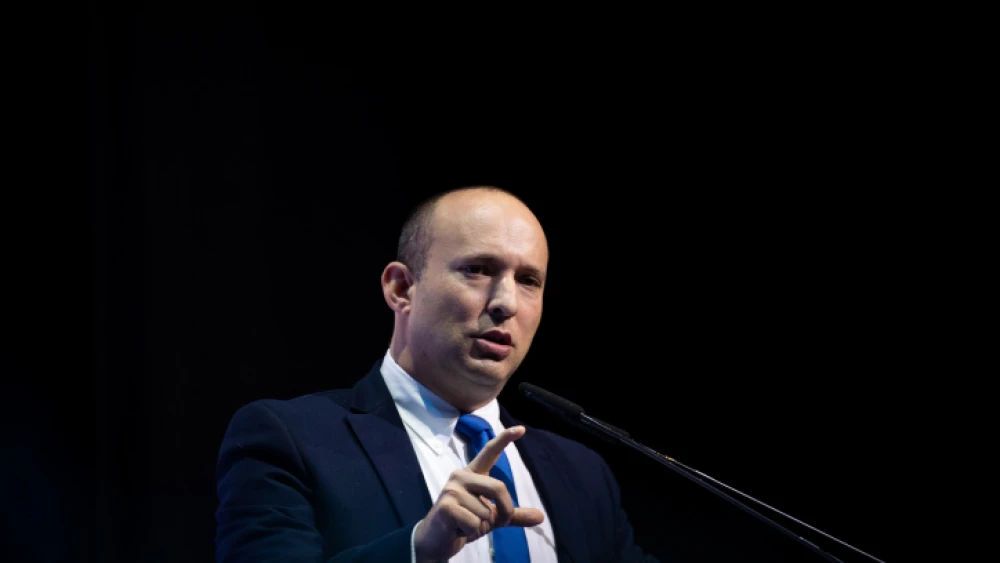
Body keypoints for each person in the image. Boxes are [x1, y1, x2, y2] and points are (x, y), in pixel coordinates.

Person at [215, 186, 659, 562]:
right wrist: (419, 549)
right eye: (479, 270)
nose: (506, 302)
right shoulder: (289, 439)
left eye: (528, 280)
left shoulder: (583, 474)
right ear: (401, 288)